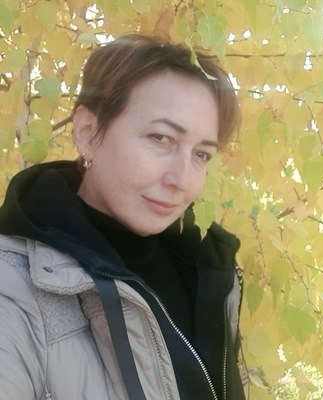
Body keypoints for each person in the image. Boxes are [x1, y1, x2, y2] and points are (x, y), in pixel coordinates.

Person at [0, 34, 245, 400]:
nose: (181, 180)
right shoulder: (13, 290)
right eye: (161, 138)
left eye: (201, 154)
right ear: (88, 132)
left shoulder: (208, 269)